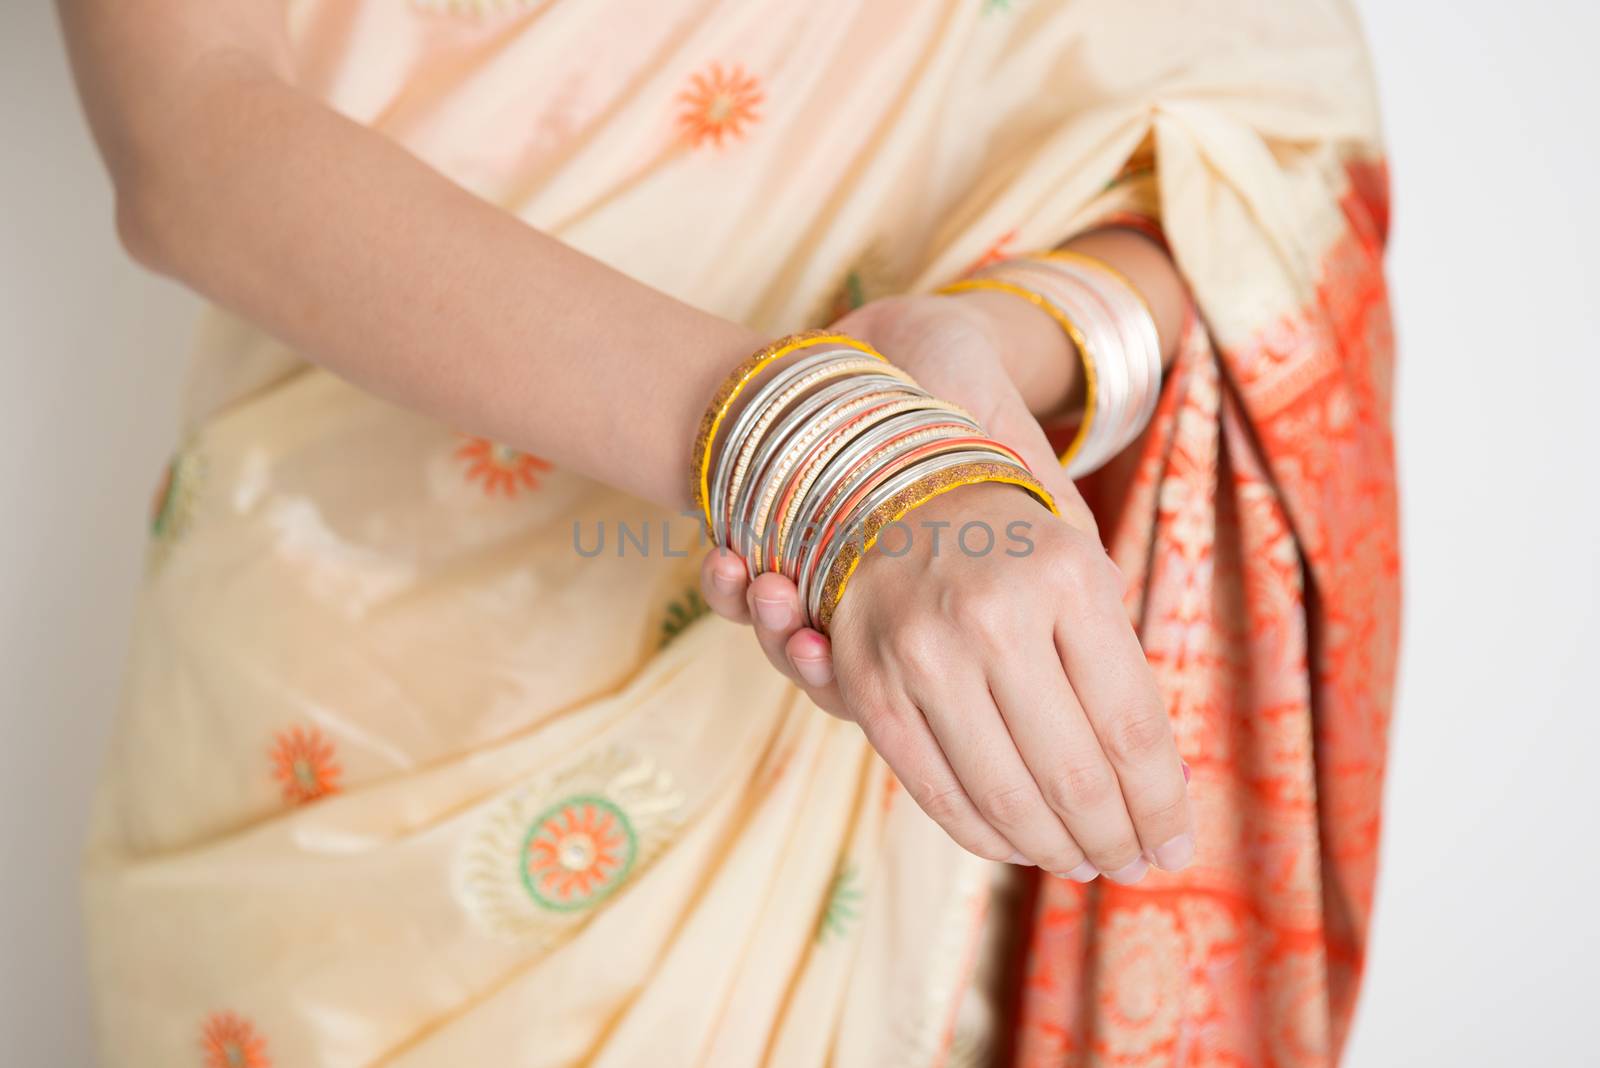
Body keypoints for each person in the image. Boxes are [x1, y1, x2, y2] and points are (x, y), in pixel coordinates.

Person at [63, 0, 1399, 1064]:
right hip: (370, 695)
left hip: (903, 679)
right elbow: (190, 136)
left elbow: (1245, 170)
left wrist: (969, 369)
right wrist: (827, 462)